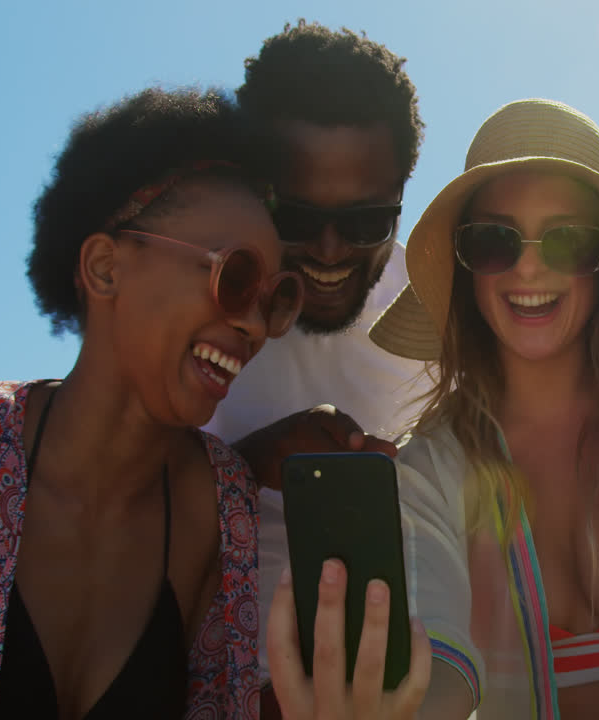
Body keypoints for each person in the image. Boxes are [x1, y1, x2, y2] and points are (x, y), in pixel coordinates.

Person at [318, 98, 599, 720]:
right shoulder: (429, 466)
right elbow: (441, 661)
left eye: (567, 240)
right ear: (466, 268)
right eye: (494, 240)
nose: (527, 265)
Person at [0, 88, 300, 718]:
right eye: (236, 277)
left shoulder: (222, 508)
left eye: (273, 300)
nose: (255, 326)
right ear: (105, 268)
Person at [205, 22, 427, 704]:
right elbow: (103, 493)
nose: (330, 252)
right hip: (208, 680)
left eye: (366, 222)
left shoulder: (440, 308)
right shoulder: (196, 293)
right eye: (296, 218)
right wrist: (242, 466)